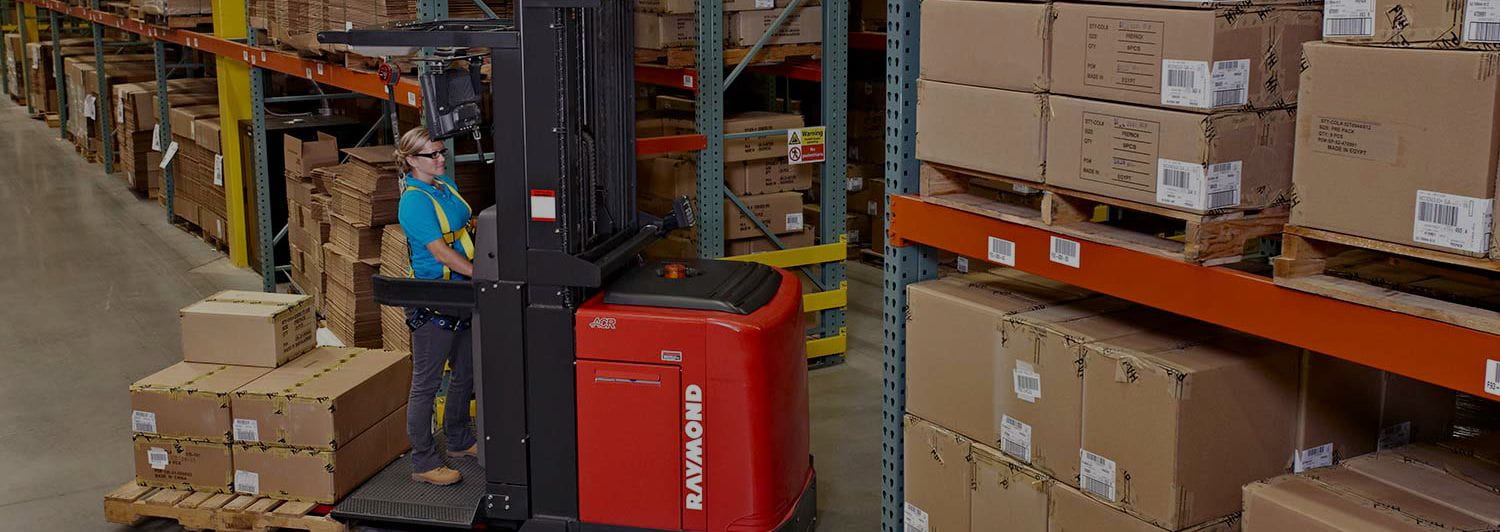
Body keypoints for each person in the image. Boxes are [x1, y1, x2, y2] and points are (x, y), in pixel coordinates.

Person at [394, 126, 478, 486]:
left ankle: (459, 440)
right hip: (435, 298)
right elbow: (440, 251)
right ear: (412, 160)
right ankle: (424, 462)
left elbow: (462, 228)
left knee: (467, 371)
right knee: (426, 385)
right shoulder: (413, 201)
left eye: (442, 152)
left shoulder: (444, 186)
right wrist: (482, 275)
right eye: (433, 154)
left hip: (461, 294)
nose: (442, 158)